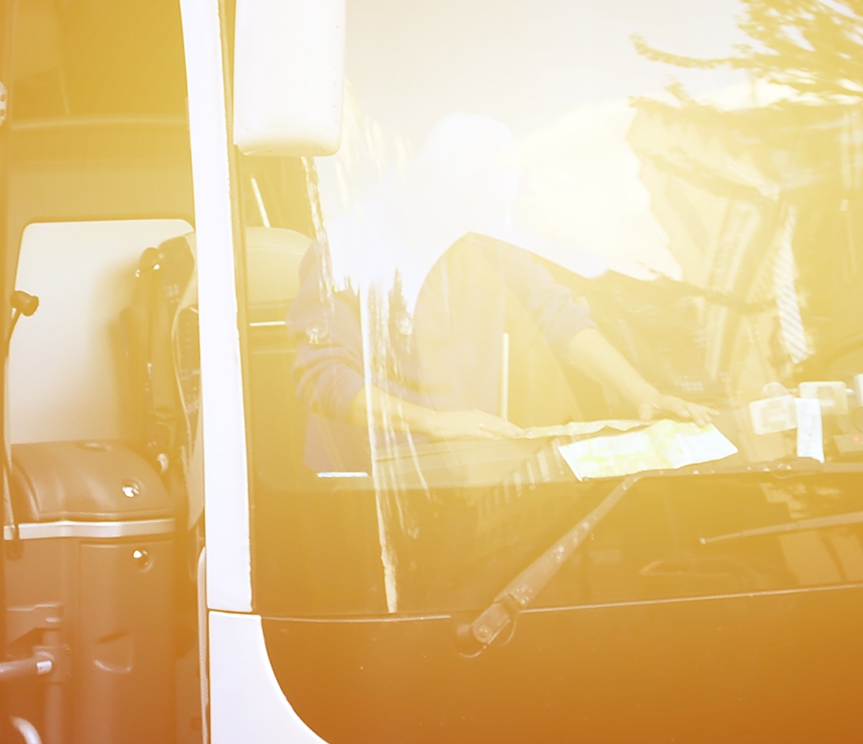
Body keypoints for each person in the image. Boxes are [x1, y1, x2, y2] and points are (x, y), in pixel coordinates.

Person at [289, 113, 701, 474]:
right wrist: (436, 422)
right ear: (430, 182)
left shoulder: (481, 237)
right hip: (372, 488)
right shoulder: (348, 248)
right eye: (471, 207)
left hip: (468, 469)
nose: (482, 221)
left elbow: (556, 315)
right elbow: (323, 376)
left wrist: (643, 394)